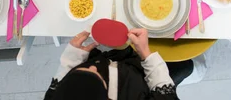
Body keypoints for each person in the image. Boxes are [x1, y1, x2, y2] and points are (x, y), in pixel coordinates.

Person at [44, 29, 192, 99]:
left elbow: (57, 83)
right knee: (186, 67)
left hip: (108, 61)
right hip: (135, 73)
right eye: (97, 76)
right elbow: (165, 95)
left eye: (81, 70)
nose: (93, 67)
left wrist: (72, 58)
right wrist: (146, 54)